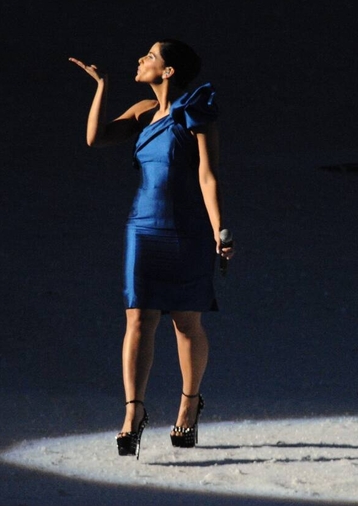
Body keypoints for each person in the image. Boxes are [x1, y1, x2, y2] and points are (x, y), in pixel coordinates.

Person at [69, 39, 233, 458]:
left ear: (169, 71)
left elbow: (207, 175)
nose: (141, 59)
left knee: (185, 322)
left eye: (151, 56)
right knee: (138, 317)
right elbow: (95, 139)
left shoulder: (196, 108)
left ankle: (189, 405)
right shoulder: (143, 111)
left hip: (188, 228)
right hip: (143, 227)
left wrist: (220, 229)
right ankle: (132, 414)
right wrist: (101, 86)